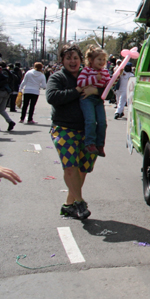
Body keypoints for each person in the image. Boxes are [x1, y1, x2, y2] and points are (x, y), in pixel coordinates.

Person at [46, 44, 100, 220]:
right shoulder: (57, 77)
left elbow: (109, 91)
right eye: (68, 58)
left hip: (88, 130)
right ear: (62, 60)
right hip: (64, 129)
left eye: (75, 57)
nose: (72, 61)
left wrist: (96, 90)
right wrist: (77, 90)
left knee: (83, 169)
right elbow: (52, 97)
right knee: (70, 167)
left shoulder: (89, 74)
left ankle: (69, 205)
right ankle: (80, 202)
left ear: (81, 59)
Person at [76, 46, 111, 157]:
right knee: (91, 120)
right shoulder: (87, 70)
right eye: (99, 59)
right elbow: (80, 83)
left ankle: (100, 145)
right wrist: (95, 79)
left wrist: (114, 79)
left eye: (103, 60)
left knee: (102, 123)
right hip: (87, 99)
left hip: (98, 100)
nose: (102, 62)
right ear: (91, 60)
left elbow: (108, 87)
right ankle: (90, 143)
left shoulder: (105, 72)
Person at [0, 62, 15, 132]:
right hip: (7, 92)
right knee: (2, 110)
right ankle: (10, 122)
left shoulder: (2, 73)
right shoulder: (8, 73)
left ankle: (10, 122)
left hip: (1, 92)